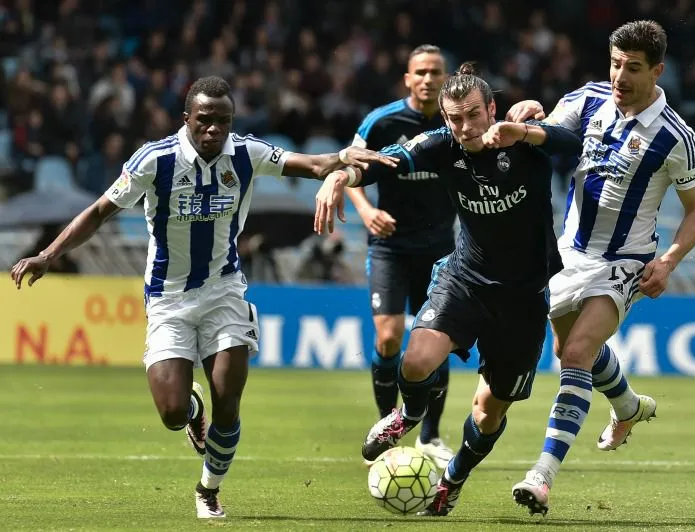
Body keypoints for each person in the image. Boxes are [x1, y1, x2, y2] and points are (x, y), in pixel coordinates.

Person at [9, 76, 396, 519]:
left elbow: (309, 165)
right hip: (168, 298)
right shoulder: (156, 161)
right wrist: (48, 253)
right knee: (172, 413)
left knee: (228, 396)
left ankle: (208, 489)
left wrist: (343, 158)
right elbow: (100, 210)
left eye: (223, 122)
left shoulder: (246, 152)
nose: (214, 129)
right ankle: (191, 411)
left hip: (224, 291)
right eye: (205, 120)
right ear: (187, 119)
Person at [315, 63, 582, 516]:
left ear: (491, 108)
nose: (464, 127)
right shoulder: (441, 145)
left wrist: (526, 131)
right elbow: (388, 161)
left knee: (488, 412)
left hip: (523, 297)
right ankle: (409, 415)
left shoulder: (526, 137)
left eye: (474, 115)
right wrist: (342, 174)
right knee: (416, 361)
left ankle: (452, 479)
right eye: (454, 119)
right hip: (464, 279)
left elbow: (572, 142)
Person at [505, 20, 695, 515]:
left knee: (576, 352)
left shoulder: (676, 138)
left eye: (633, 68)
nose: (620, 76)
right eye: (616, 63)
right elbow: (553, 131)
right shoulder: (590, 98)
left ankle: (542, 476)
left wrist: (668, 262)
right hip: (569, 254)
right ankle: (628, 406)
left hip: (625, 262)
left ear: (657, 71)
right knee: (567, 348)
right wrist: (532, 118)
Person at [345, 44, 457, 468]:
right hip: (391, 247)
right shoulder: (382, 121)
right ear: (408, 79)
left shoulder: (456, 122)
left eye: (436, 72)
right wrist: (366, 210)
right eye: (421, 72)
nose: (429, 79)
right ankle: (386, 429)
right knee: (389, 337)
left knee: (436, 344)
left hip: (442, 250)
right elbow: (351, 167)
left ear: (445, 79)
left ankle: (430, 435)